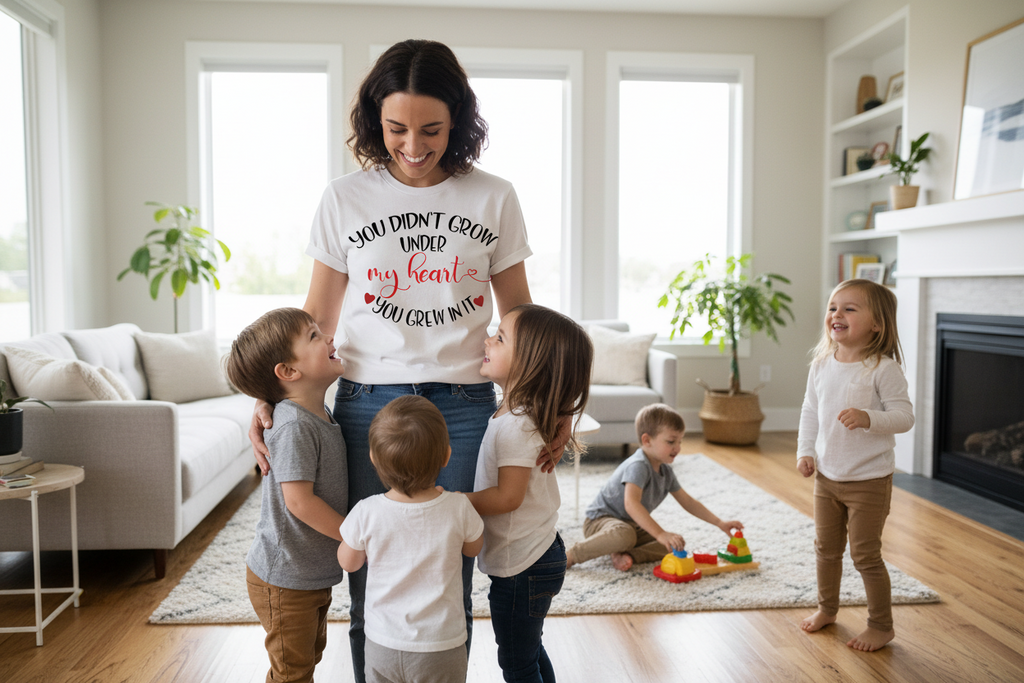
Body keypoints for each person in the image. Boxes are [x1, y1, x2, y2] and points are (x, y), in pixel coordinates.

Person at [247, 40, 566, 682]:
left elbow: (522, 324)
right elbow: (314, 324)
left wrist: (552, 409)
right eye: (396, 130)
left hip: (467, 407)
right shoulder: (344, 199)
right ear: (374, 121)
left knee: (449, 582)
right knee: (375, 579)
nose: (414, 147)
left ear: (459, 121)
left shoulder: (493, 197)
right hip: (368, 405)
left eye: (432, 130)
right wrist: (269, 398)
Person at [466, 304, 592, 683]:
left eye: (500, 338)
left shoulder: (517, 424)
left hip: (525, 565)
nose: (487, 339)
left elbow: (508, 498)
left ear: (531, 364)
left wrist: (450, 500)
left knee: (518, 663)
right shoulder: (514, 414)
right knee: (530, 651)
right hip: (535, 556)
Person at [225, 308, 348, 683]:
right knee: (292, 672)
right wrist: (355, 533)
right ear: (289, 372)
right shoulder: (294, 425)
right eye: (314, 336)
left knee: (307, 657)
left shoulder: (318, 412)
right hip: (285, 578)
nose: (328, 337)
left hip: (306, 573)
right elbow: (299, 501)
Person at [797, 279, 914, 652]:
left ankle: (881, 625)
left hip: (869, 480)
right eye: (833, 307)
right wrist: (806, 451)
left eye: (850, 308)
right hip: (828, 477)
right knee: (825, 548)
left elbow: (903, 417)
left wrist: (868, 418)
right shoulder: (821, 363)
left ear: (877, 323)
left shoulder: (883, 368)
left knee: (865, 554)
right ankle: (827, 608)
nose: (837, 314)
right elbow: (810, 411)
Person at [338, 395, 484, 683]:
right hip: (442, 645)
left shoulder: (366, 512)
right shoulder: (458, 506)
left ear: (372, 458)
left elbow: (349, 562)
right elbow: (474, 548)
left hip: (383, 642)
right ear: (446, 455)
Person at [565, 403, 743, 571]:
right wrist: (659, 533)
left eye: (680, 441)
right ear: (647, 440)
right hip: (600, 521)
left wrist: (720, 523)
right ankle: (572, 554)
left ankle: (626, 554)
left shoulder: (666, 471)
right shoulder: (638, 465)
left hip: (630, 525)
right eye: (671, 441)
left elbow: (688, 502)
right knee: (628, 535)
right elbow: (631, 504)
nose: (678, 447)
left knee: (673, 544)